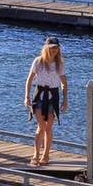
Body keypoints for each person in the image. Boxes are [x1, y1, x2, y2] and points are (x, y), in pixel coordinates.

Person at [25, 37, 67, 166]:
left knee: (48, 127)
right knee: (41, 125)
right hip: (40, 95)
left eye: (56, 47)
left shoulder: (59, 63)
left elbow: (64, 83)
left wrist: (65, 100)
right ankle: (36, 154)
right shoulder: (38, 61)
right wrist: (26, 97)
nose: (54, 50)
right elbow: (30, 79)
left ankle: (45, 155)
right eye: (52, 47)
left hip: (53, 96)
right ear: (46, 48)